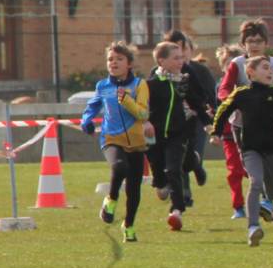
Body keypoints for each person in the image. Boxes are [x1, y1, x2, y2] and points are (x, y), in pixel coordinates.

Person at [208, 55, 273, 248]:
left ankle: (268, 203)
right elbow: (223, 110)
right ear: (250, 72)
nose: (270, 71)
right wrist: (216, 132)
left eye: (271, 69)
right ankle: (253, 228)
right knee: (255, 181)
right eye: (265, 68)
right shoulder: (241, 93)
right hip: (251, 150)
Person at [215, 19, 273, 221]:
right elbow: (224, 88)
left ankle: (267, 202)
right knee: (248, 166)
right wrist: (231, 100)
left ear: (266, 44)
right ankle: (252, 204)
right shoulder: (237, 64)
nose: (254, 45)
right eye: (250, 41)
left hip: (270, 123)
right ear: (244, 44)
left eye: (259, 41)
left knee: (272, 164)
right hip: (242, 123)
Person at [82, 42, 151, 243]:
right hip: (111, 138)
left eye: (119, 59)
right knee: (119, 167)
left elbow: (143, 113)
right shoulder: (102, 86)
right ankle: (110, 200)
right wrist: (86, 120)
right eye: (110, 59)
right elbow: (92, 106)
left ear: (129, 64)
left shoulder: (139, 85)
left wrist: (127, 100)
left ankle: (129, 225)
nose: (114, 62)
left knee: (134, 189)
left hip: (136, 141)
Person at [145, 39, 206, 232]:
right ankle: (194, 162)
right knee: (161, 179)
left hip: (178, 134)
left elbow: (197, 102)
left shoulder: (184, 81)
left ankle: (177, 211)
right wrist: (144, 122)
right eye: (175, 58)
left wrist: (210, 124)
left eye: (181, 57)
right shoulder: (151, 84)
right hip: (155, 137)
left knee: (174, 170)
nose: (181, 61)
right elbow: (140, 107)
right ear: (161, 61)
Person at [164, 28, 216, 190]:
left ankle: (197, 167)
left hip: (196, 121)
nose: (181, 53)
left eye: (184, 48)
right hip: (172, 122)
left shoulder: (200, 71)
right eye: (175, 49)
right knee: (177, 157)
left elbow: (209, 97)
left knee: (192, 155)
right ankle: (184, 194)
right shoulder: (161, 72)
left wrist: (208, 113)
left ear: (191, 50)